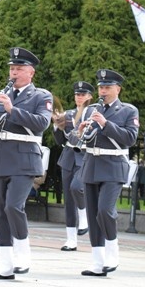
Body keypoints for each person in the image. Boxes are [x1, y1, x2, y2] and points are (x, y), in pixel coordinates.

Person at [0, 47, 52, 280]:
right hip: (1, 158)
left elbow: (41, 124)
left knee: (13, 206)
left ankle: (23, 254)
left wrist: (11, 109)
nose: (14, 73)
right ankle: (5, 265)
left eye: (19, 69)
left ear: (31, 73)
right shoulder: (0, 94)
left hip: (24, 158)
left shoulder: (41, 96)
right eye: (12, 68)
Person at [77, 69, 139, 277]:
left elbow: (129, 138)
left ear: (117, 89)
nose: (103, 91)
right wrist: (80, 131)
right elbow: (81, 137)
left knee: (105, 210)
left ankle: (113, 251)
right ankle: (97, 261)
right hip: (91, 164)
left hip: (113, 164)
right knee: (93, 214)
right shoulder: (91, 109)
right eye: (101, 87)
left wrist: (105, 123)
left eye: (107, 87)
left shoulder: (128, 111)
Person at [52, 81, 93, 251]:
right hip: (69, 156)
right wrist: (56, 125)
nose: (79, 97)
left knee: (77, 187)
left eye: (83, 94)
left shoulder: (93, 114)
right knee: (69, 199)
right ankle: (71, 239)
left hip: (85, 156)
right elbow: (60, 141)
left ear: (90, 97)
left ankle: (84, 215)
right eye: (77, 94)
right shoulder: (68, 115)